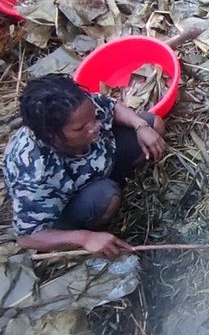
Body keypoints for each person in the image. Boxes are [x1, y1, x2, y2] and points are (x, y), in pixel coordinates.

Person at [3, 74, 167, 258]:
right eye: (80, 128)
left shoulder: (80, 107)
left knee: (153, 126)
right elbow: (27, 237)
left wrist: (140, 125)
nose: (95, 126)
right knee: (105, 196)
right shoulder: (34, 171)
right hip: (72, 201)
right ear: (52, 136)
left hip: (100, 160)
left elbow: (112, 106)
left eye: (94, 117)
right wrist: (85, 238)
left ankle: (116, 176)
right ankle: (92, 223)